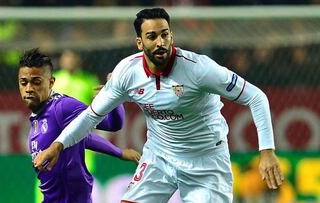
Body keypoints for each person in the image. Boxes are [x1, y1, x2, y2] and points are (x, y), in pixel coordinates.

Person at [34, 8, 284, 203]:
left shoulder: (200, 69)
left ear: (172, 35)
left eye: (165, 34)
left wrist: (267, 152)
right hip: (159, 158)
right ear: (140, 43)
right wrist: (58, 146)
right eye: (152, 36)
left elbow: (256, 96)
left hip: (206, 162)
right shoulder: (127, 72)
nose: (160, 42)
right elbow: (90, 116)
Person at [18, 48, 140, 203]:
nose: (29, 88)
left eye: (36, 82)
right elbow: (81, 135)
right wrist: (119, 152)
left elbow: (112, 124)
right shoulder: (37, 116)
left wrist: (114, 98)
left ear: (50, 83)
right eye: (24, 82)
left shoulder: (63, 107)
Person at [53, 49, 100, 174]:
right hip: (57, 133)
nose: (70, 61)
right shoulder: (53, 80)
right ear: (61, 61)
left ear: (78, 60)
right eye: (66, 58)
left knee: (82, 173)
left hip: (82, 133)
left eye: (72, 58)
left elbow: (99, 107)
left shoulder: (89, 81)